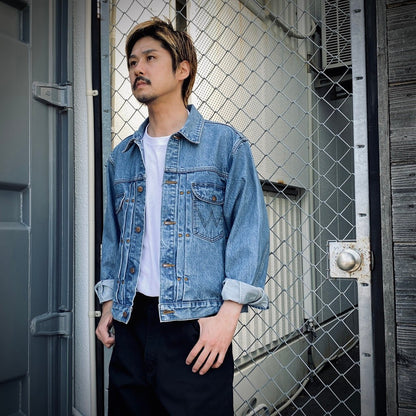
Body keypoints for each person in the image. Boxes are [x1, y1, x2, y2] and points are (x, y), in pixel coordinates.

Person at [95, 17, 270, 416]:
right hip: (131, 324)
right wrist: (108, 305)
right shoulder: (121, 157)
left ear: (182, 70)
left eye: (150, 58)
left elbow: (250, 230)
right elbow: (114, 238)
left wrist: (227, 317)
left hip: (194, 327)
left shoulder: (225, 146)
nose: (137, 69)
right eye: (132, 61)